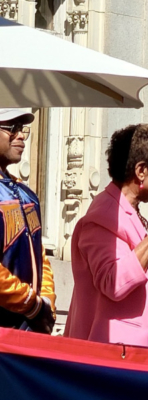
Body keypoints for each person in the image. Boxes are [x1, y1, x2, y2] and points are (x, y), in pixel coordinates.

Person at [64, 124, 148, 349]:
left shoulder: (131, 213)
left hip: (141, 353)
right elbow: (114, 282)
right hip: (114, 355)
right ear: (141, 171)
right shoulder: (104, 216)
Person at [0, 108, 56, 334]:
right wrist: (32, 304)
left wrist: (47, 301)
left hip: (28, 327)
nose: (21, 135)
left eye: (22, 129)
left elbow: (39, 254)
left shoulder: (26, 194)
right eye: (12, 129)